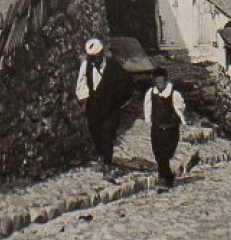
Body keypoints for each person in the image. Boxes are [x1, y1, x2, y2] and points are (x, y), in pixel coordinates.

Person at [73, 37, 129, 175]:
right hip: (94, 106)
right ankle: (101, 156)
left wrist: (119, 100)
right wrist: (84, 98)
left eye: (96, 56)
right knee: (95, 132)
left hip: (111, 107)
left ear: (102, 53)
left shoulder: (113, 65)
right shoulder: (86, 65)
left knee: (107, 135)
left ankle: (107, 164)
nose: (94, 59)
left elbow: (125, 84)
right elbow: (81, 82)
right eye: (91, 57)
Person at [142, 66, 187, 190]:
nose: (159, 85)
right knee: (158, 154)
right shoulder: (151, 93)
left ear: (166, 81)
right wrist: (148, 121)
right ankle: (167, 177)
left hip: (171, 129)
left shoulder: (174, 94)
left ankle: (163, 178)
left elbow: (180, 107)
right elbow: (147, 108)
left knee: (165, 154)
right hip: (156, 128)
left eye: (161, 82)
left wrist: (179, 120)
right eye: (157, 82)